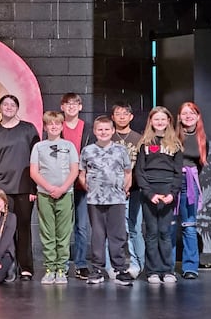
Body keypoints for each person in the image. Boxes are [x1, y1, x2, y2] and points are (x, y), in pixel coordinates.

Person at [0, 94, 40, 281]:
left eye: (12, 104)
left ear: (17, 108)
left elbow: (36, 159)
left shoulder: (28, 129)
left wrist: (34, 188)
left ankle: (26, 267)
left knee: (23, 228)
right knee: (3, 229)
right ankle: (8, 266)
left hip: (24, 187)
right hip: (1, 190)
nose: (8, 107)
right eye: (4, 104)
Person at [78, 116, 134, 286]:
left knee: (117, 235)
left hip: (116, 199)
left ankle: (120, 269)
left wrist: (124, 189)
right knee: (97, 234)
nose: (103, 132)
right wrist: (90, 189)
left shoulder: (120, 150)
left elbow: (127, 172)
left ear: (113, 131)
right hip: (95, 200)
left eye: (107, 129)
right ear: (95, 131)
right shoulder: (87, 151)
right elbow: (82, 174)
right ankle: (97, 270)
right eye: (100, 129)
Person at [134, 106, 183, 284]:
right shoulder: (144, 143)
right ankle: (152, 271)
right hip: (150, 193)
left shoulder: (175, 144)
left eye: (163, 119)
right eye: (156, 119)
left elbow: (178, 173)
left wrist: (172, 194)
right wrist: (148, 193)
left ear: (168, 121)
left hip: (167, 192)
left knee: (164, 232)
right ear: (151, 121)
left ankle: (168, 270)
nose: (160, 122)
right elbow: (139, 171)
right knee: (152, 232)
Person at [29, 111, 79, 285]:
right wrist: (50, 188)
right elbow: (34, 171)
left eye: (57, 123)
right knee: (48, 232)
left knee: (63, 233)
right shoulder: (38, 147)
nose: (54, 126)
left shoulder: (69, 145)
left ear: (61, 125)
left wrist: (63, 188)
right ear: (45, 126)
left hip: (65, 193)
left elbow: (74, 170)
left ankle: (61, 269)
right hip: (45, 194)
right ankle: (50, 268)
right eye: (50, 124)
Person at [58, 92, 94, 280]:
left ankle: (80, 264)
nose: (71, 107)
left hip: (82, 184)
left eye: (75, 104)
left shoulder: (88, 128)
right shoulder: (57, 127)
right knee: (63, 227)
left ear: (80, 107)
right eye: (67, 104)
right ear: (62, 107)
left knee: (81, 226)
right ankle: (62, 264)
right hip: (62, 183)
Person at [173, 102, 208, 280]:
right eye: (184, 113)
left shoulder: (201, 138)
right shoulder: (172, 136)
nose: (188, 116)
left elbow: (200, 165)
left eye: (191, 113)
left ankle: (190, 267)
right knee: (170, 226)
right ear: (179, 117)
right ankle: (167, 266)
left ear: (197, 116)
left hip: (190, 183)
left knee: (189, 225)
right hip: (172, 183)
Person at [111, 102, 144, 278]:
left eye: (126, 113)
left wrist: (130, 186)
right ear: (112, 117)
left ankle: (138, 263)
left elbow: (141, 166)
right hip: (112, 191)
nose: (122, 116)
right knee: (114, 229)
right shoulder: (108, 138)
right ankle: (113, 265)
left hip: (135, 190)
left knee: (134, 228)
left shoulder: (139, 139)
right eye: (118, 113)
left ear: (131, 117)